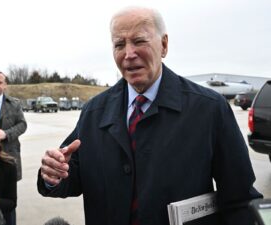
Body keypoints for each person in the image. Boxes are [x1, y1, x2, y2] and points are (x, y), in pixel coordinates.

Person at [37, 6, 262, 225]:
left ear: (163, 45)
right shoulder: (94, 112)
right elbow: (71, 177)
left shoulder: (210, 110)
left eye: (139, 41)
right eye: (119, 44)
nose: (129, 54)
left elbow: (239, 199)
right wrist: (53, 174)